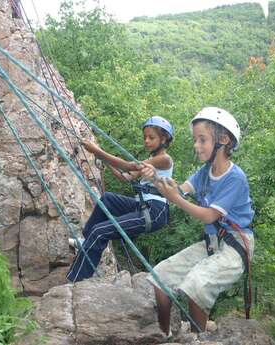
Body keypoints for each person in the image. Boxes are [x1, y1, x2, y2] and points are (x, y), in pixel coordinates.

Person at [141, 107, 254, 334]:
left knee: (197, 285)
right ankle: (165, 335)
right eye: (195, 140)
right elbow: (179, 191)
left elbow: (209, 215)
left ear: (223, 141)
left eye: (202, 140)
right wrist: (156, 179)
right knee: (159, 277)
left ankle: (196, 339)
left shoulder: (235, 178)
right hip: (212, 243)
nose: (196, 145)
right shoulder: (204, 172)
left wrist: (175, 197)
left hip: (235, 246)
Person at [66, 116, 174, 282]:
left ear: (164, 139)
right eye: (145, 137)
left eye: (151, 137)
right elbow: (125, 176)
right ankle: (87, 242)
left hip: (154, 212)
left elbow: (131, 166)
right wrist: (103, 160)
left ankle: (74, 281)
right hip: (143, 206)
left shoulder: (165, 159)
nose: (146, 141)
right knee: (108, 199)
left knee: (100, 231)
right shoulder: (149, 161)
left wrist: (97, 151)